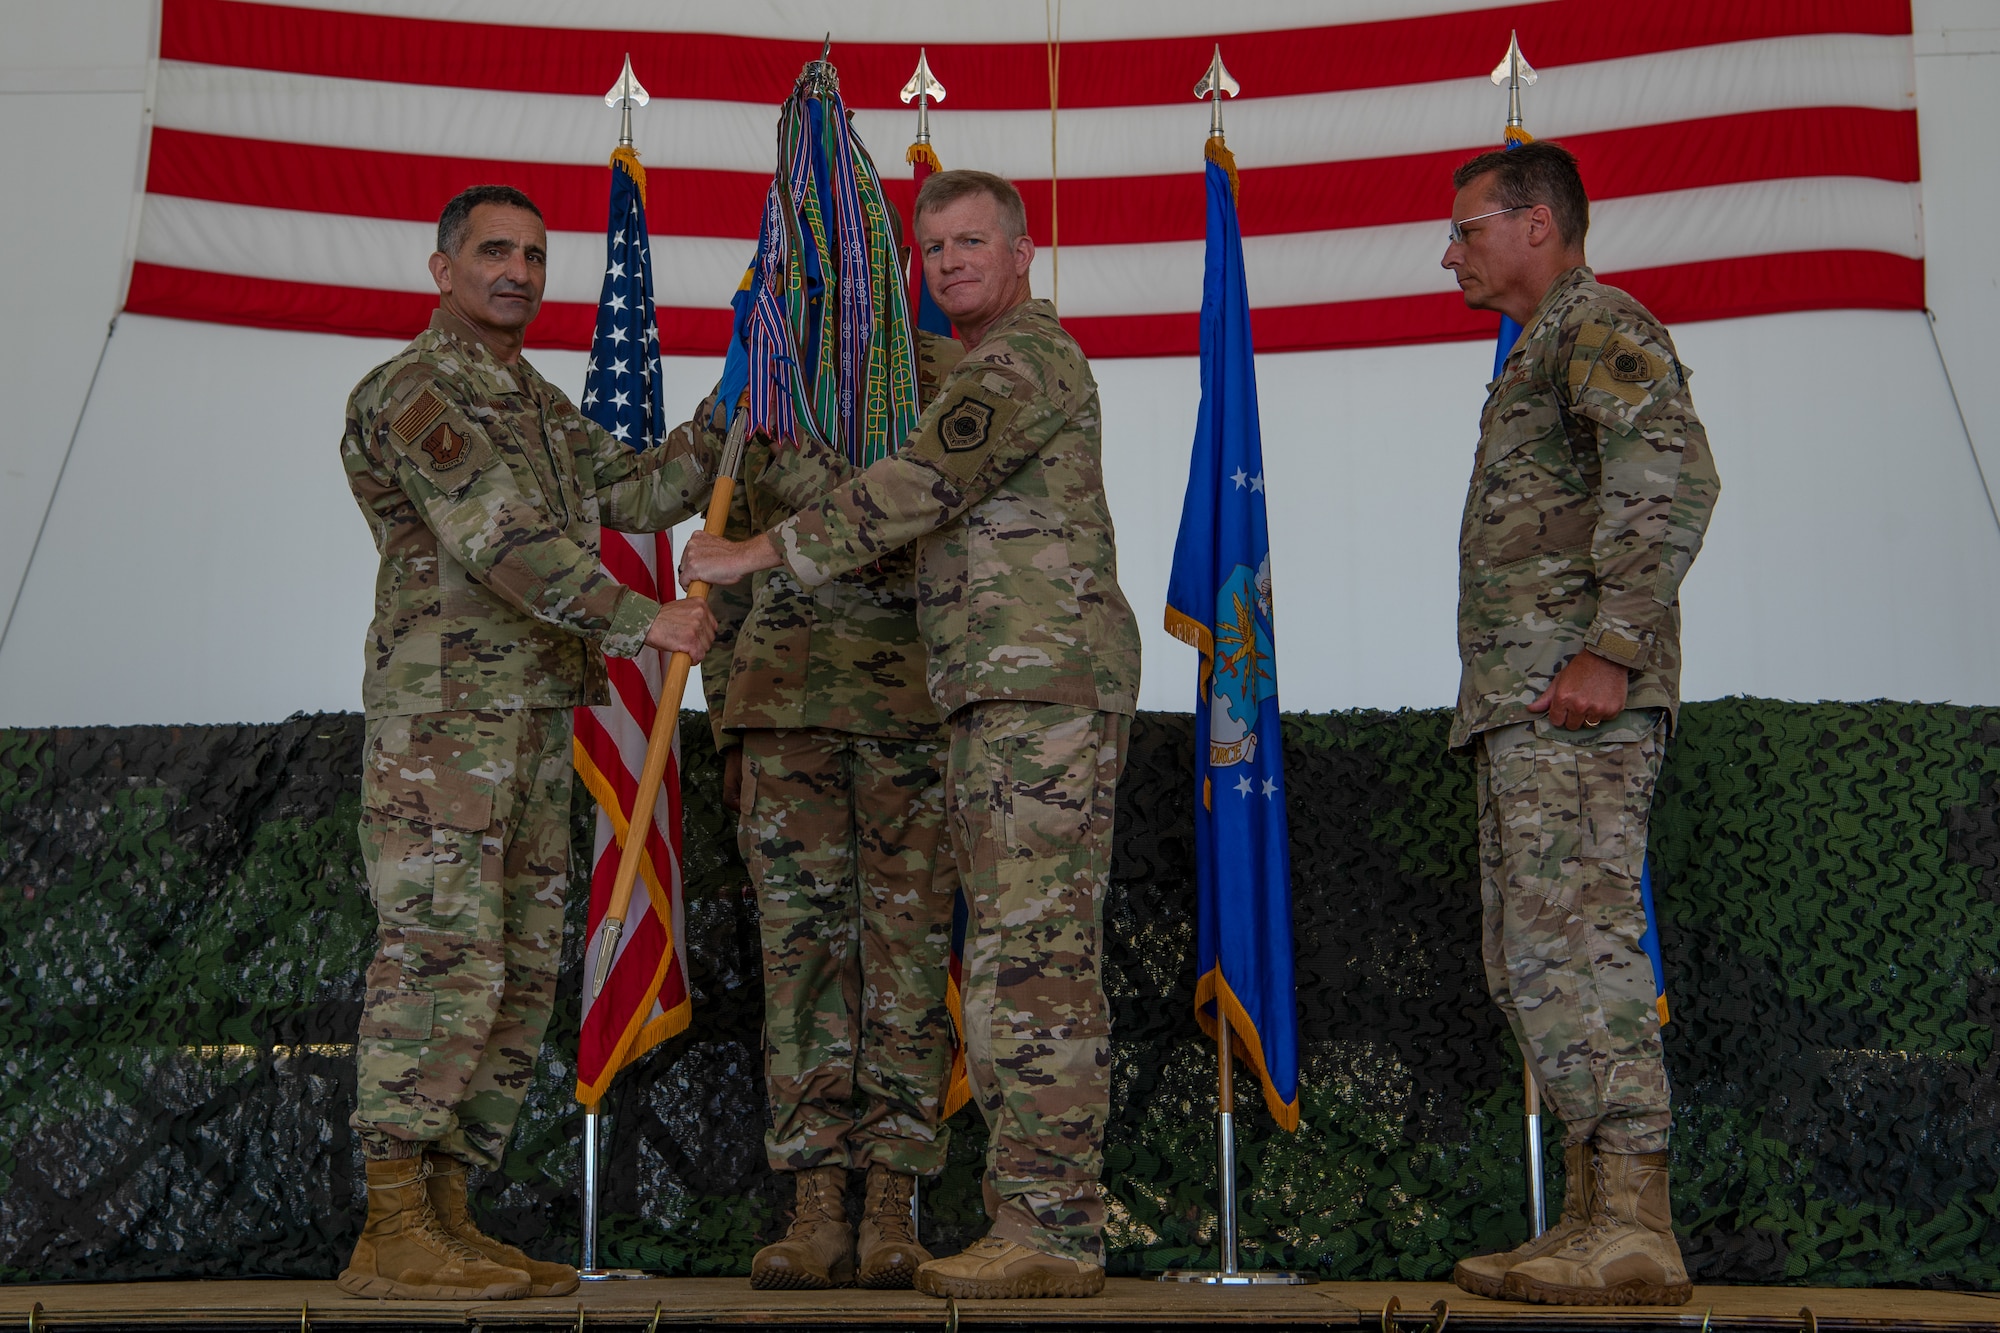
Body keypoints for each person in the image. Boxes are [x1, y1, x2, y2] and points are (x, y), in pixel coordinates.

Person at [680, 169, 1141, 1300]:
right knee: (1008, 964)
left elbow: (921, 482)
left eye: (970, 241)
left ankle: (1052, 1227)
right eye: (930, 247)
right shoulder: (946, 372)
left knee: (1031, 966)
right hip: (989, 691)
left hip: (1034, 690)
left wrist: (755, 553)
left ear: (1023, 251)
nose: (947, 264)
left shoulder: (1020, 362)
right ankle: (1031, 1219)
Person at [336, 184, 718, 1301]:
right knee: (439, 952)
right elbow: (495, 536)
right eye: (494, 251)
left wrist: (739, 407)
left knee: (507, 964)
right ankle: (391, 1221)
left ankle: (447, 1211)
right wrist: (640, 619)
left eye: (535, 255)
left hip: (535, 716)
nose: (517, 269)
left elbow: (636, 487)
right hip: (445, 726)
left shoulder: (534, 399)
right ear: (441, 267)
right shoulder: (412, 390)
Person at [1439, 142, 1719, 1306]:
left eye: (1465, 228)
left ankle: (1638, 1225)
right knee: (1532, 957)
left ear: (1534, 223)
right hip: (1525, 702)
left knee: (1582, 945)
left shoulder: (1599, 324)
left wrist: (1609, 646)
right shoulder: (1535, 349)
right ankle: (1595, 1217)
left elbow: (1669, 473)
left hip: (1575, 700)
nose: (1447, 250)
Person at [681, 324, 968, 1292]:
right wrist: (724, 723)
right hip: (782, 709)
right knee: (798, 959)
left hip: (912, 709)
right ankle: (814, 1204)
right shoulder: (758, 380)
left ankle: (893, 1200)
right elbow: (718, 564)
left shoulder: (938, 374)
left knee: (907, 955)